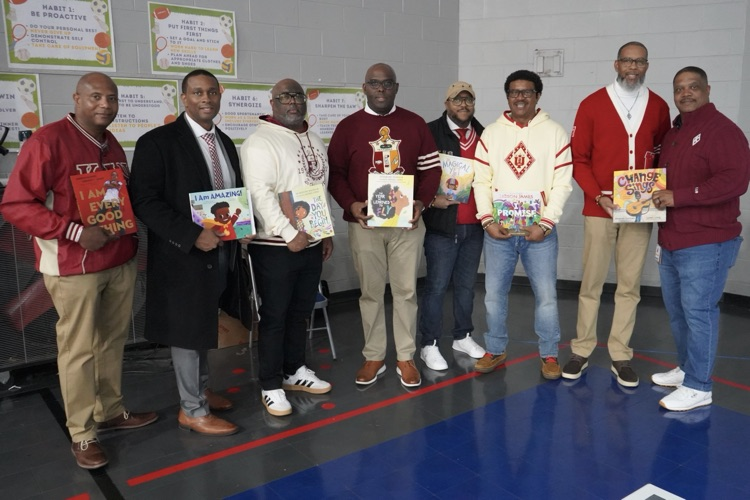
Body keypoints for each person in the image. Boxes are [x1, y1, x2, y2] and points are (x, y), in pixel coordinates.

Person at [0, 73, 157, 469]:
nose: (104, 104)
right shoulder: (47, 141)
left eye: (112, 98)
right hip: (73, 266)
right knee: (78, 350)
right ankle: (83, 434)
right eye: (95, 97)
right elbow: (17, 204)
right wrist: (72, 231)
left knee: (111, 342)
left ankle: (111, 410)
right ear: (76, 98)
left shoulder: (112, 144)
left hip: (119, 260)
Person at [129, 69, 253, 436]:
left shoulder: (227, 143)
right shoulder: (157, 142)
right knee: (186, 331)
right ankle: (192, 409)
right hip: (182, 256)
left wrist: (243, 227)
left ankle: (199, 390)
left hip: (220, 254)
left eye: (212, 92)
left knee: (202, 324)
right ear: (183, 98)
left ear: (220, 95)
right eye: (197, 92)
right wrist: (191, 234)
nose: (206, 99)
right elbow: (145, 202)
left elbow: (232, 196)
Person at [564, 41, 671, 387]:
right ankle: (581, 349)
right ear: (616, 64)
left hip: (640, 210)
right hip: (600, 207)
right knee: (591, 282)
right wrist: (597, 195)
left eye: (640, 61)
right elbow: (579, 159)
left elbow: (662, 156)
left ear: (647, 66)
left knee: (629, 285)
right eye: (627, 60)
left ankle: (620, 354)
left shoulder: (658, 106)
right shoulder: (592, 104)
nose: (633, 67)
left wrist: (655, 192)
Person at [328, 63, 441, 388]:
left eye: (387, 83)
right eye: (374, 84)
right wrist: (351, 204)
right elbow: (334, 173)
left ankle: (406, 357)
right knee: (371, 293)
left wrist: (421, 202)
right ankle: (374, 355)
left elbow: (432, 170)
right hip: (366, 225)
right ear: (364, 87)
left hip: (408, 222)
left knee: (406, 291)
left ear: (396, 87)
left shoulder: (415, 123)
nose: (381, 89)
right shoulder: (348, 127)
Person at [650, 67, 750, 411]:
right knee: (678, 312)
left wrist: (681, 196)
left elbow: (734, 181)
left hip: (707, 242)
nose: (686, 93)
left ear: (707, 89)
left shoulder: (722, 131)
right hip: (673, 240)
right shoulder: (677, 132)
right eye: (679, 88)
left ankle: (700, 386)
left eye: (693, 87)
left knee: (699, 313)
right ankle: (686, 369)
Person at [240, 78, 333, 417]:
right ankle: (269, 384)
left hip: (310, 240)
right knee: (275, 316)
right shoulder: (259, 143)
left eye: (298, 96)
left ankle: (295, 370)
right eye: (285, 97)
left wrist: (326, 232)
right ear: (272, 102)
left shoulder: (314, 137)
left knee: (300, 311)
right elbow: (260, 194)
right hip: (275, 245)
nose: (293, 102)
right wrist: (286, 231)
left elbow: (319, 189)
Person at [473, 70, 572, 379]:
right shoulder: (491, 133)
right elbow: (480, 180)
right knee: (493, 295)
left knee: (545, 297)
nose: (520, 97)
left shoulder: (555, 132)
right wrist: (487, 219)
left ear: (537, 95)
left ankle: (550, 354)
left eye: (526, 92)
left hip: (539, 233)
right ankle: (496, 348)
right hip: (498, 232)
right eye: (514, 92)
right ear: (507, 97)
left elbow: (563, 183)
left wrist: (545, 222)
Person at [418, 81, 486, 371]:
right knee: (435, 287)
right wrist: (431, 199)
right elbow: (414, 171)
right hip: (442, 227)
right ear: (446, 103)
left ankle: (462, 336)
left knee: (467, 287)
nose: (463, 105)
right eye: (457, 100)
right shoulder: (430, 132)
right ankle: (429, 344)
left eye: (468, 100)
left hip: (475, 226)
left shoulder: (485, 134)